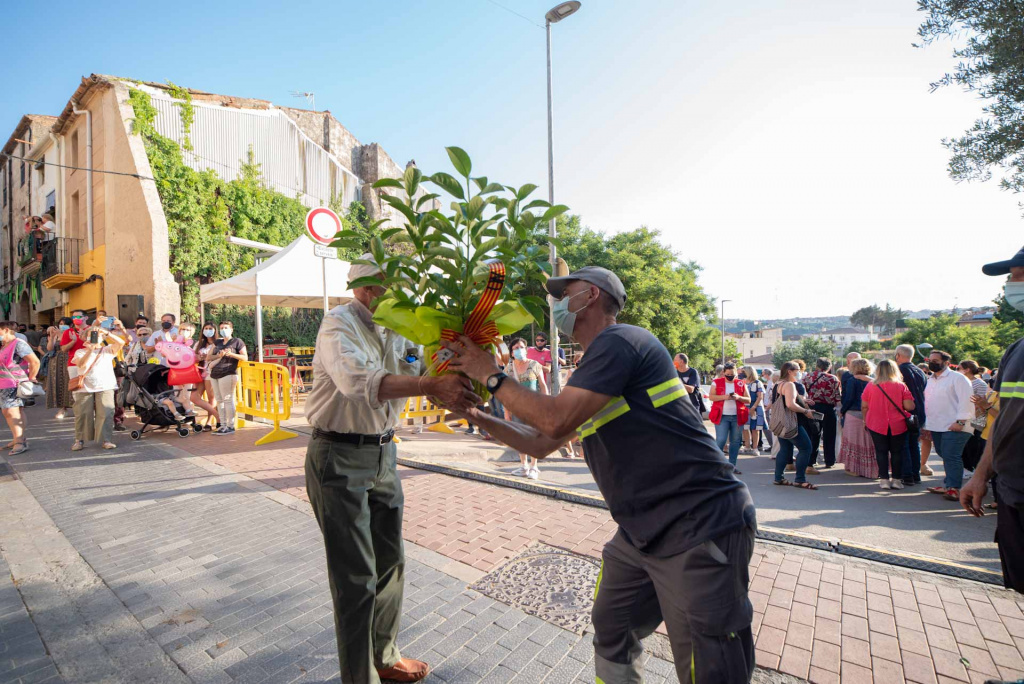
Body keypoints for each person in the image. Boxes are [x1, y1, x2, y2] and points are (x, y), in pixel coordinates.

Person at [446, 265, 757, 684]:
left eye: (563, 293)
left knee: (711, 664)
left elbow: (554, 422)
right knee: (612, 628)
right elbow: (540, 442)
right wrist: (476, 415)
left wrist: (490, 373)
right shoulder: (598, 367)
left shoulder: (621, 341)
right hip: (639, 532)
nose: (555, 303)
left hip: (698, 523)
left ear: (590, 296)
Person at [303, 255, 478, 684]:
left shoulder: (399, 326)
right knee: (356, 576)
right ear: (366, 289)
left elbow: (422, 370)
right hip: (338, 456)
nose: (400, 295)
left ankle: (385, 655)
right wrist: (427, 384)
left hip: (384, 455)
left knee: (391, 563)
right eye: (390, 287)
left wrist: (454, 374)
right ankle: (359, 678)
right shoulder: (339, 324)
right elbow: (358, 381)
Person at [960, 245, 1024, 593]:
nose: (1012, 285)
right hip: (1012, 492)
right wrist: (981, 476)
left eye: (1017, 276)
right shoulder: (1017, 349)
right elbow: (999, 418)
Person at [924, 350, 975, 501]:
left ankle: (954, 488)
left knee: (951, 456)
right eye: (930, 360)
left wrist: (960, 422)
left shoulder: (958, 378)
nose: (931, 362)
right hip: (936, 424)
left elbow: (967, 401)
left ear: (946, 363)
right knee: (943, 453)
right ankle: (948, 484)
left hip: (956, 425)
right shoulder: (931, 379)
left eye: (936, 360)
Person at [861, 360, 916, 491]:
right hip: (898, 424)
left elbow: (864, 406)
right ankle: (896, 480)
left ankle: (884, 480)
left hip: (876, 423)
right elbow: (909, 406)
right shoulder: (901, 386)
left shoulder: (870, 386)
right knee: (897, 452)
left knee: (881, 452)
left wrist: (865, 420)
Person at [70, 321, 124, 452]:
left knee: (106, 413)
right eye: (91, 334)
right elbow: (81, 365)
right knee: (82, 414)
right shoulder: (79, 352)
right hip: (84, 387)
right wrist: (90, 350)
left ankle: (107, 440)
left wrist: (107, 333)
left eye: (97, 335)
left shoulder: (108, 350)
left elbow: (121, 343)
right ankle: (79, 440)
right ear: (85, 337)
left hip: (105, 385)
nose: (95, 337)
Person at [771, 361, 819, 489]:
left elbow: (784, 399)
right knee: (806, 448)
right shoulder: (789, 385)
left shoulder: (778, 383)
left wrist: (802, 400)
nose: (800, 372)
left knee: (785, 449)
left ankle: (778, 477)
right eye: (797, 370)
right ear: (789, 371)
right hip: (792, 422)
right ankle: (799, 479)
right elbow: (790, 404)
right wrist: (806, 411)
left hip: (781, 422)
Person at [505, 338, 549, 479]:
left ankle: (534, 466)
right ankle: (523, 465)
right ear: (511, 352)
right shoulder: (509, 369)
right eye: (516, 348)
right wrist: (506, 412)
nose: (519, 350)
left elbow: (542, 385)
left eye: (522, 347)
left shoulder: (534, 365)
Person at [0, 321, 40, 455]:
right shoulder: (4, 345)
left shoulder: (18, 344)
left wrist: (32, 378)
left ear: (5, 330)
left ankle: (19, 442)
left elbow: (34, 361)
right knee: (8, 412)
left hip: (14, 383)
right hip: (4, 384)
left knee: (13, 412)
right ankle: (18, 438)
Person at [895, 344, 928, 485]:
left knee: (904, 445)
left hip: (905, 412)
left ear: (898, 355)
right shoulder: (920, 371)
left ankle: (907, 475)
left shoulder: (898, 371)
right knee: (914, 444)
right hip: (919, 412)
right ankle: (915, 474)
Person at [709, 362, 751, 474]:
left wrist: (738, 397)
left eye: (732, 374)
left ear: (736, 372)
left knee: (735, 441)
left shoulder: (741, 383)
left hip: (737, 416)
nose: (730, 376)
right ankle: (717, 465)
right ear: (723, 373)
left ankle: (732, 465)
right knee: (721, 440)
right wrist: (725, 397)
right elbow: (711, 397)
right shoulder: (716, 382)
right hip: (721, 415)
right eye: (727, 374)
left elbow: (748, 399)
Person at [207, 321, 247, 436]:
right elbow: (209, 357)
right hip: (215, 373)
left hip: (228, 373)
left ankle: (230, 425)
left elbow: (244, 357)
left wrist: (231, 354)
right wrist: (219, 355)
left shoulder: (237, 342)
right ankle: (223, 425)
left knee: (228, 399)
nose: (223, 329)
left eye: (226, 328)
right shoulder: (217, 342)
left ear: (231, 329)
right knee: (219, 400)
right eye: (221, 328)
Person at [838, 359, 876, 478]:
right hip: (870, 414)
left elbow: (849, 398)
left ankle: (854, 469)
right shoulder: (873, 381)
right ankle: (870, 469)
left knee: (853, 442)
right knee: (868, 443)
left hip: (854, 414)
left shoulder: (852, 380)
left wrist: (842, 411)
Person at [802, 358, 841, 469]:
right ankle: (829, 460)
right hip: (828, 408)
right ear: (828, 367)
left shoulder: (808, 377)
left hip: (812, 407)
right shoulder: (833, 378)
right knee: (829, 435)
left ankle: (811, 460)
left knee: (813, 434)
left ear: (817, 365)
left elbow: (803, 393)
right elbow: (837, 396)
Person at [193, 323, 221, 431]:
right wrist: (199, 357)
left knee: (211, 397)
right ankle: (217, 416)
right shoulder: (199, 344)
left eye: (210, 328)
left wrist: (209, 357)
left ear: (215, 330)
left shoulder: (219, 343)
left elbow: (221, 357)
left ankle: (209, 422)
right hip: (199, 372)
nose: (208, 330)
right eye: (206, 328)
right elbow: (193, 357)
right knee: (194, 397)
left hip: (211, 372)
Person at [740, 365, 765, 456]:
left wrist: (753, 407)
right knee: (745, 428)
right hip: (744, 407)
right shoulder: (742, 382)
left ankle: (755, 448)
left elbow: (760, 396)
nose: (741, 373)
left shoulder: (758, 383)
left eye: (743, 372)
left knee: (755, 429)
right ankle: (747, 447)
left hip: (756, 407)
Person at [760, 369, 775, 452]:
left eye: (763, 374)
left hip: (769, 407)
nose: (763, 376)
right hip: (766, 406)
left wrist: (767, 407)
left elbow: (771, 397)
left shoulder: (772, 382)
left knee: (767, 427)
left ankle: (772, 444)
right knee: (766, 427)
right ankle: (772, 444)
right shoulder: (769, 382)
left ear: (767, 374)